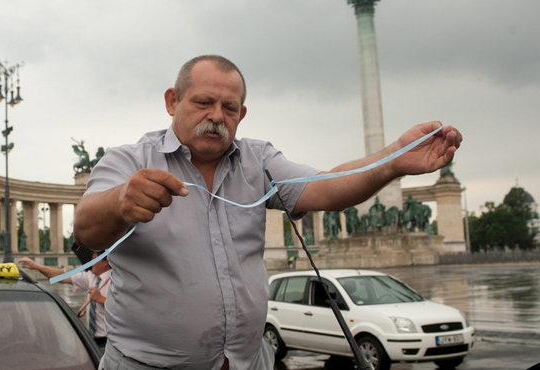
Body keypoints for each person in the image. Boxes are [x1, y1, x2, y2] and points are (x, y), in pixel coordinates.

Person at [73, 55, 462, 370]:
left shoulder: (259, 162)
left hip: (249, 362)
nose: (216, 115)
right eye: (203, 102)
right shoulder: (127, 160)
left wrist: (392, 159)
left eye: (229, 107)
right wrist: (121, 201)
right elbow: (86, 227)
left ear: (242, 115)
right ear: (172, 101)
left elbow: (327, 188)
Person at [18, 252, 112, 350]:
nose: (91, 262)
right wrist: (37, 266)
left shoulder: (115, 280)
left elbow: (125, 309)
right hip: (92, 339)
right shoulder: (90, 277)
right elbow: (62, 276)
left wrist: (101, 299)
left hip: (109, 340)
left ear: (105, 262)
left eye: (94, 258)